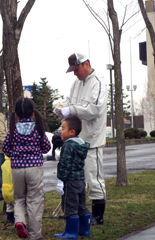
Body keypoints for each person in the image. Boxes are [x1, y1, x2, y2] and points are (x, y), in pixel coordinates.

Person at [54, 52, 107, 225]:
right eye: (73, 70)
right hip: (76, 140)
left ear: (86, 64)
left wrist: (71, 110)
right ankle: (78, 212)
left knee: (93, 178)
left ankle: (98, 216)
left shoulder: (97, 84)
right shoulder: (76, 84)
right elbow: (70, 102)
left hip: (92, 141)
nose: (75, 73)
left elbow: (95, 109)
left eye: (77, 69)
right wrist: (61, 107)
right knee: (76, 179)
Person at [2, 98, 51, 240]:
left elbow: (6, 148)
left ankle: (19, 221)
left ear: (16, 114)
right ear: (33, 114)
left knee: (19, 198)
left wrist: (16, 155)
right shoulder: (37, 129)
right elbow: (47, 148)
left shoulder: (12, 130)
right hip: (34, 169)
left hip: (17, 169)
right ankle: (35, 235)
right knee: (35, 200)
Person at [53, 116, 91, 239]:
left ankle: (70, 233)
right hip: (80, 181)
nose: (60, 131)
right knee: (81, 206)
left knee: (70, 206)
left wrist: (60, 180)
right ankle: (85, 230)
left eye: (63, 128)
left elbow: (64, 164)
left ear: (72, 132)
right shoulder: (81, 145)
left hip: (70, 182)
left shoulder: (68, 146)